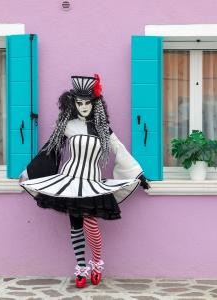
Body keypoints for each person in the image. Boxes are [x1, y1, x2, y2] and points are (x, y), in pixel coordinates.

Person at [19, 74, 149, 288]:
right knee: (76, 224)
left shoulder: (104, 130)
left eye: (87, 102)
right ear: (73, 104)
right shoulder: (67, 126)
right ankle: (81, 268)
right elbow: (50, 150)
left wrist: (138, 174)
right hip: (70, 179)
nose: (83, 107)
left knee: (90, 222)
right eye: (79, 103)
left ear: (95, 103)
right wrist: (28, 172)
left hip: (92, 181)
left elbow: (120, 151)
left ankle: (97, 263)